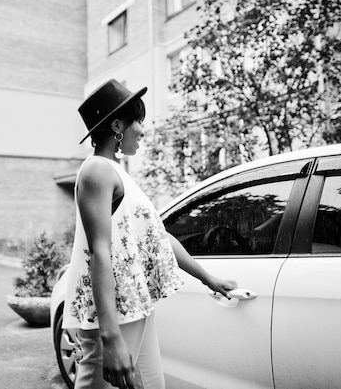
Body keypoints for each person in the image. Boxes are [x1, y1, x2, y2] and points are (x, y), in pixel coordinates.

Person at [62, 79, 236, 389]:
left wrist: (209, 278)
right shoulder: (97, 171)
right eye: (137, 121)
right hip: (113, 319)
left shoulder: (119, 174)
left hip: (134, 308)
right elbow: (98, 252)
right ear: (117, 125)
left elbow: (160, 238)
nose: (143, 130)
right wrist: (111, 338)